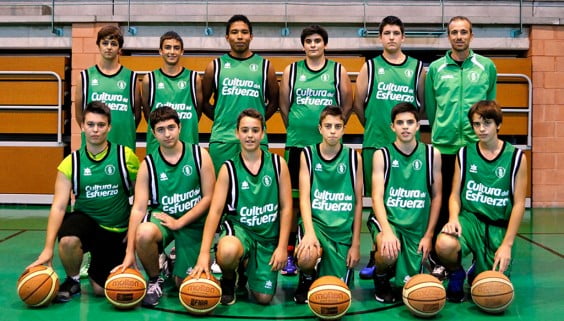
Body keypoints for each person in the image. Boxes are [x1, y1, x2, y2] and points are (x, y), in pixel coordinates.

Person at [26, 101, 139, 302]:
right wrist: (47, 249)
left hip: (115, 229)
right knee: (68, 239)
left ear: (109, 127)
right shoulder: (71, 163)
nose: (95, 130)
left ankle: (96, 264)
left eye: (101, 125)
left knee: (100, 291)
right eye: (91, 124)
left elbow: (140, 198)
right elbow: (59, 206)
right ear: (83, 126)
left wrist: (132, 231)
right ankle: (73, 280)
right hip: (86, 221)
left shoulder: (125, 157)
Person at [114, 106, 215, 307]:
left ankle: (173, 263)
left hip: (192, 222)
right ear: (153, 133)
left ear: (179, 127)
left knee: (183, 285)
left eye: (171, 127)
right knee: (144, 232)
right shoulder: (148, 164)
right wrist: (129, 252)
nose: (167, 134)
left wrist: (180, 222)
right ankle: (154, 279)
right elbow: (138, 209)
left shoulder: (199, 155)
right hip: (164, 220)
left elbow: (209, 198)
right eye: (161, 129)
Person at [191, 108, 292, 306]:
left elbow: (286, 208)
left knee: (263, 299)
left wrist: (282, 247)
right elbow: (216, 211)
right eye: (245, 130)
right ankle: (229, 279)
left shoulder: (278, 164)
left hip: (267, 237)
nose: (250, 136)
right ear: (237, 133)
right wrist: (204, 254)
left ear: (262, 133)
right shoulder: (228, 168)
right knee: (227, 251)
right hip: (241, 232)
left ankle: (246, 268)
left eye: (255, 130)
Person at [352, 16, 425, 279]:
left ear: (403, 37)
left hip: (406, 149)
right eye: (387, 33)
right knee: (377, 201)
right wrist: (374, 127)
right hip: (376, 145)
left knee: (404, 200)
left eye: (396, 33)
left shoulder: (417, 69)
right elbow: (358, 106)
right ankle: (378, 253)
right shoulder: (370, 68)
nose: (391, 37)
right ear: (380, 37)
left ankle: (411, 251)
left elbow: (421, 107)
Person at [425, 16, 497, 278]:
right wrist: (441, 130)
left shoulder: (486, 66)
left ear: (471, 36)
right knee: (444, 203)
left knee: (474, 201)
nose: (458, 36)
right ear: (448, 36)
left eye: (463, 32)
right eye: (454, 32)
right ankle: (442, 258)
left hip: (474, 147)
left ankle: (480, 255)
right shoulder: (435, 68)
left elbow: (490, 105)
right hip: (444, 146)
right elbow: (431, 108)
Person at [435, 100, 527, 303]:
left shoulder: (516, 157)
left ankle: (478, 268)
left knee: (494, 297)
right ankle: (456, 273)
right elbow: (455, 194)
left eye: (487, 123)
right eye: (477, 124)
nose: (481, 129)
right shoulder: (465, 153)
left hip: (497, 227)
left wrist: (507, 245)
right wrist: (453, 218)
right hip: (470, 221)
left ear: (498, 125)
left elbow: (519, 204)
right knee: (443, 243)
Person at [279, 24, 353, 276]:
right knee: (294, 201)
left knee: (323, 197)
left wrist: (328, 130)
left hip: (327, 148)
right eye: (308, 41)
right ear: (303, 45)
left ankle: (328, 244)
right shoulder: (292, 70)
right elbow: (284, 106)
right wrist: (298, 129)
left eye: (317, 41)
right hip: (298, 144)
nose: (313, 45)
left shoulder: (337, 70)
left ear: (325, 44)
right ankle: (292, 251)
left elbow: (346, 104)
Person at [368, 102, 442, 303]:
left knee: (409, 285)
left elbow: (436, 197)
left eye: (410, 122)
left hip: (416, 225)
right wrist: (387, 231)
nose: (405, 127)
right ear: (392, 126)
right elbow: (376, 197)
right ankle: (381, 276)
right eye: (400, 123)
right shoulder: (381, 155)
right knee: (387, 248)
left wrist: (429, 235)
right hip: (389, 220)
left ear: (418, 125)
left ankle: (398, 269)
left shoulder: (431, 154)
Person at [293, 106, 363, 304]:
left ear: (344, 129)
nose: (333, 130)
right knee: (307, 254)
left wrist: (356, 244)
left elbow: (358, 203)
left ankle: (321, 271)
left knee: (336, 294)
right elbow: (304, 198)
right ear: (320, 128)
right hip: (317, 226)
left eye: (337, 126)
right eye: (328, 126)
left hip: (342, 233)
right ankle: (306, 277)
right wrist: (309, 232)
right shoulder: (307, 154)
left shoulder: (353, 158)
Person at [202, 14, 279, 173]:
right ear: (227, 37)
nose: (239, 36)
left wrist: (259, 120)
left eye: (244, 32)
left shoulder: (265, 66)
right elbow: (202, 101)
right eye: (234, 32)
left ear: (251, 36)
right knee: (221, 192)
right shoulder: (215, 66)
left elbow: (274, 102)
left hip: (256, 140)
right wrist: (220, 117)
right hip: (223, 139)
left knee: (255, 192)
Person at [75, 25, 141, 150]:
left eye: (113, 44)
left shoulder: (131, 77)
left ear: (119, 48)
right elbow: (79, 115)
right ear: (98, 46)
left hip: (123, 145)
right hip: (94, 148)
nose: (109, 47)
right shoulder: (85, 77)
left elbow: (136, 116)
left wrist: (123, 129)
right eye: (105, 43)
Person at [141, 31, 203, 152]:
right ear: (160, 51)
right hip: (157, 148)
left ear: (182, 51)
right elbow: (148, 114)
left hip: (188, 145)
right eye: (167, 47)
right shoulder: (150, 79)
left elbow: (198, 111)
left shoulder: (194, 78)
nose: (172, 52)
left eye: (176, 48)